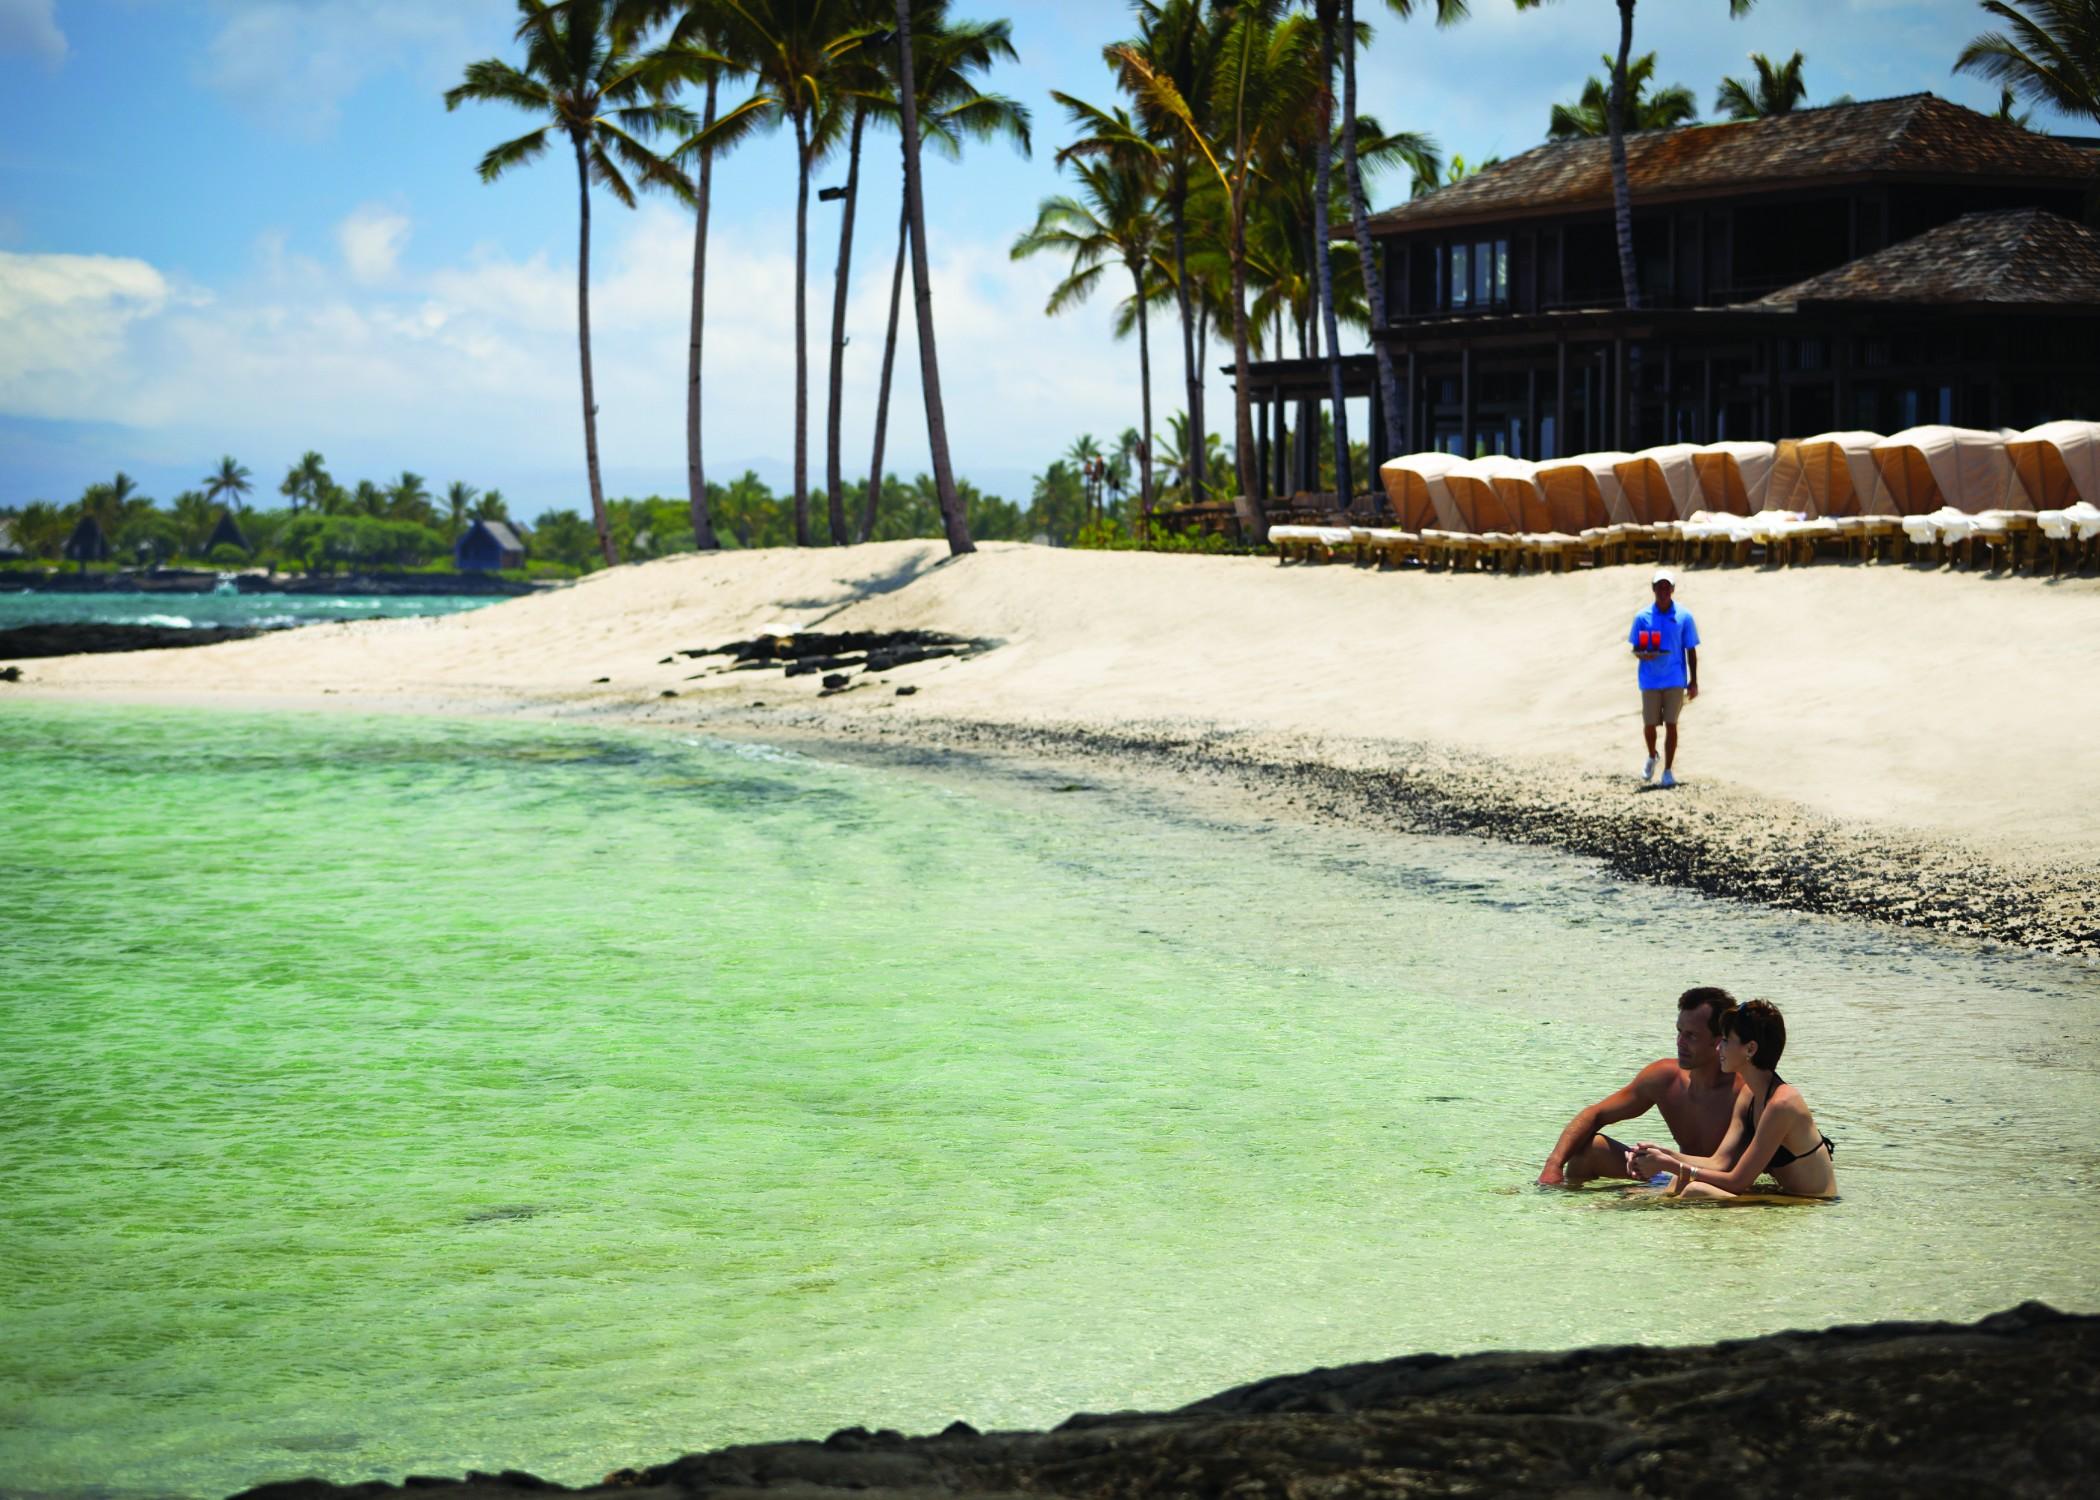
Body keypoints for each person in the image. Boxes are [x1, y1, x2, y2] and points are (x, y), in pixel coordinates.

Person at [1632, 998, 1837, 1200]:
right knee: (1681, 1180)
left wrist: (1668, 1165)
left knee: (1696, 1190)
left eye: (1726, 1040)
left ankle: (1653, 1214)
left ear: (1750, 1049)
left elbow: (1738, 1181)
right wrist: (1663, 1154)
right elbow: (1719, 1162)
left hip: (1811, 1202)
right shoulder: (1749, 1094)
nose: (1718, 1048)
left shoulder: (1781, 1104)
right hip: (1782, 1197)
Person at [1537, 986, 1743, 1186]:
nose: (1680, 1042)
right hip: (1676, 1179)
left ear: (1719, 1040)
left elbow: (1740, 1170)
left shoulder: (1744, 1092)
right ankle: (1563, 1208)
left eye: (1691, 1036)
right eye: (1679, 1032)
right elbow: (1594, 1114)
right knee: (1589, 1150)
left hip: (1720, 1187)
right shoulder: (1665, 1078)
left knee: (1694, 1191)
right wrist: (1553, 1166)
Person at [1630, 568, 1699, 788]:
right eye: (1659, 587)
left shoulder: (1684, 616)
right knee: (1650, 725)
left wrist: (1693, 680)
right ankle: (1652, 755)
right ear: (1653, 589)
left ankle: (1668, 771)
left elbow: (1691, 649)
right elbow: (1636, 648)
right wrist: (1644, 654)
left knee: (1672, 724)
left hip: (1674, 678)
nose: (1663, 591)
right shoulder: (1642, 617)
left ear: (1672, 589)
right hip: (1650, 679)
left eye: (1666, 587)